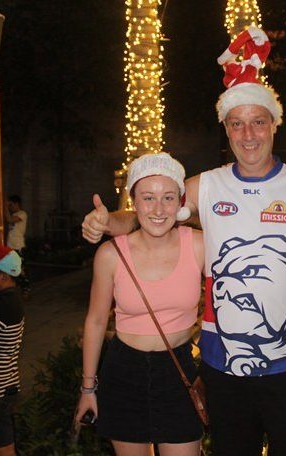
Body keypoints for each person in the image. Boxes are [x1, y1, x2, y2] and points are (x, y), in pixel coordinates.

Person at [82, 26, 286, 456]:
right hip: (221, 365)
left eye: (258, 122)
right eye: (237, 123)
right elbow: (151, 214)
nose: (248, 134)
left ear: (275, 124)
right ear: (226, 129)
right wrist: (107, 223)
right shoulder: (207, 186)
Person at [75, 153, 204, 455]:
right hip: (124, 373)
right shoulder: (110, 255)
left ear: (180, 203)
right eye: (148, 198)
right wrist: (88, 388)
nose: (158, 209)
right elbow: (95, 321)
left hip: (178, 372)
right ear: (134, 201)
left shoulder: (199, 245)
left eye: (168, 197)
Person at [0, 246, 24, 456]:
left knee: (2, 449)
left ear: (3, 276)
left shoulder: (4, 303)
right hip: (0, 386)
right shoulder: (6, 298)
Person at [4, 195, 30, 296]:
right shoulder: (14, 214)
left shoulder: (22, 214)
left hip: (18, 246)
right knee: (11, 269)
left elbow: (10, 220)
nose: (10, 207)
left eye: (11, 205)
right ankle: (16, 289)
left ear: (16, 204)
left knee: (21, 269)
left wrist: (4, 207)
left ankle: (26, 289)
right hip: (10, 246)